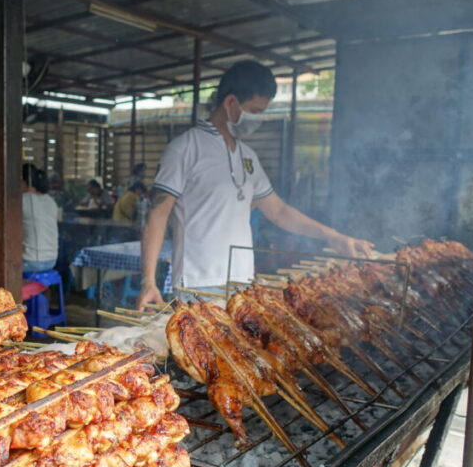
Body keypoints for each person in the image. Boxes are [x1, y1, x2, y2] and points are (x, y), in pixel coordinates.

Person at [137, 60, 374, 306]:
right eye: (255, 111)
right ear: (230, 103)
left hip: (242, 283)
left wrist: (333, 236)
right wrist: (148, 280)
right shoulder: (186, 148)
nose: (259, 119)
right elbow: (158, 214)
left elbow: (279, 212)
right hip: (198, 284)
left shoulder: (248, 156)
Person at [22, 163, 59, 273]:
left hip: (31, 262)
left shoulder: (22, 200)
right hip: (52, 260)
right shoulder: (50, 201)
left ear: (23, 182)